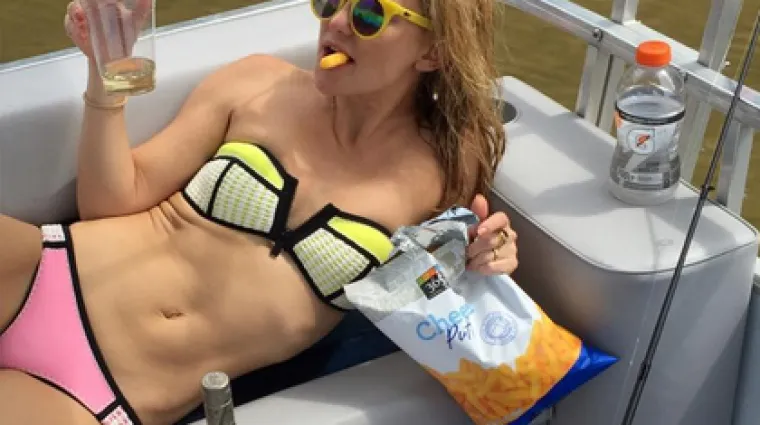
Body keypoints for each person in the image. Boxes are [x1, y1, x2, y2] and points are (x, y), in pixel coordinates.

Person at [0, 0, 518, 424]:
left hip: (105, 391)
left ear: (433, 51)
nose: (336, 23)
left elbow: (441, 279)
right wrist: (105, 72)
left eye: (368, 14)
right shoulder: (258, 84)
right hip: (43, 269)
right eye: (329, 2)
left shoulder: (446, 166)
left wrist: (487, 257)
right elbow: (110, 202)